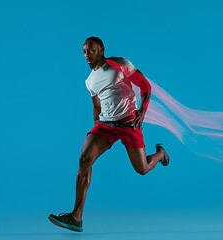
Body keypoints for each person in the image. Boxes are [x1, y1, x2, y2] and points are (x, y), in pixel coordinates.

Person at [48, 36, 169, 232]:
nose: (87, 54)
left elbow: (145, 86)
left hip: (129, 123)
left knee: (142, 168)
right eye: (84, 51)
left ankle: (161, 154)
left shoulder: (119, 64)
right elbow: (96, 106)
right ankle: (76, 217)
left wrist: (143, 111)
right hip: (105, 125)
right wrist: (96, 132)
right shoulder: (89, 81)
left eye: (91, 50)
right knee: (84, 159)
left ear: (102, 49)